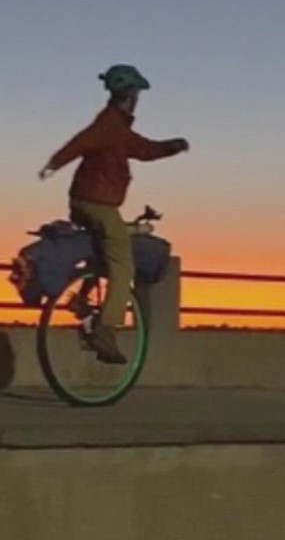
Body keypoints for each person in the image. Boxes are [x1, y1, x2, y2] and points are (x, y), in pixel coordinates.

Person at [38, 64, 189, 364]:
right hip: (98, 205)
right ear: (130, 94)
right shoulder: (110, 125)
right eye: (137, 93)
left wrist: (171, 147)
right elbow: (81, 142)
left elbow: (143, 149)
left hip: (85, 203)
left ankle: (83, 296)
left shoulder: (116, 127)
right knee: (123, 265)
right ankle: (106, 330)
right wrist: (54, 163)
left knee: (105, 251)